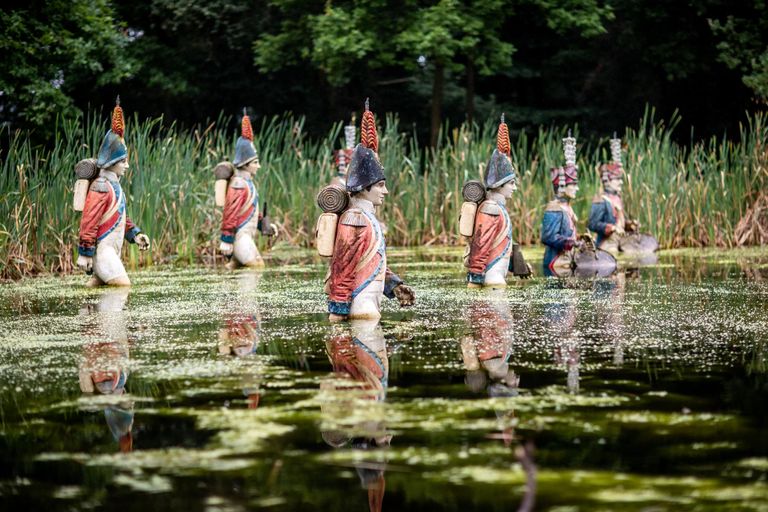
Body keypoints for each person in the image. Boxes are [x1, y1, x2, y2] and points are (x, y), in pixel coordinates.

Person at [325, 99, 414, 322]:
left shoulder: (365, 216)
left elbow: (373, 260)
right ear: (365, 188)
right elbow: (343, 265)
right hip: (362, 307)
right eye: (380, 186)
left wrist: (394, 285)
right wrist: (338, 308)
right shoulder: (354, 219)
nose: (385, 191)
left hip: (370, 304)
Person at [76, 98, 150, 287]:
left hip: (111, 251)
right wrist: (84, 252)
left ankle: (86, 315)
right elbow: (89, 220)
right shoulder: (100, 186)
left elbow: (119, 218)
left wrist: (135, 234)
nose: (126, 165)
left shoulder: (114, 186)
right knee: (123, 286)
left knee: (94, 293)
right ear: (112, 162)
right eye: (123, 161)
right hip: (103, 252)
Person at [466, 115, 530, 288]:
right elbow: (481, 245)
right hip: (492, 280)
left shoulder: (499, 209)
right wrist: (475, 277)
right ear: (499, 185)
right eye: (511, 183)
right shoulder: (491, 209)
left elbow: (500, 245)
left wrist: (517, 264)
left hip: (497, 279)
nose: (514, 188)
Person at [219, 109, 275, 269]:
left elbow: (249, 211)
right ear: (246, 163)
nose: (258, 166)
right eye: (255, 162)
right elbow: (231, 212)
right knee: (257, 266)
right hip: (240, 237)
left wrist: (264, 225)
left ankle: (227, 292)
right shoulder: (238, 184)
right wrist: (227, 239)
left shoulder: (248, 183)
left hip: (247, 235)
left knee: (236, 271)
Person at [541, 133, 580, 277]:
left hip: (566, 263)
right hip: (554, 264)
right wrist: (569, 243)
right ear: (562, 187)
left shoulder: (567, 207)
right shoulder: (554, 208)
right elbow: (548, 237)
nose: (577, 188)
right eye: (573, 185)